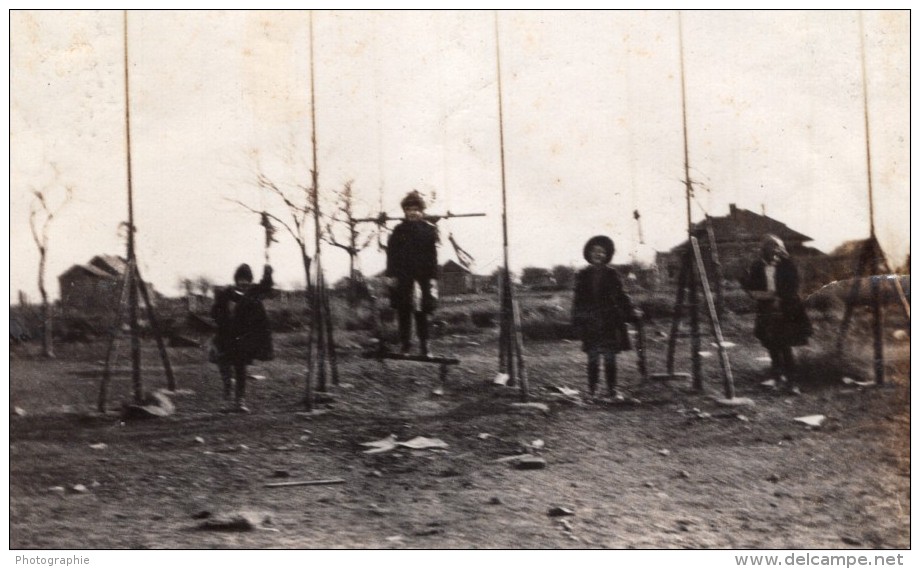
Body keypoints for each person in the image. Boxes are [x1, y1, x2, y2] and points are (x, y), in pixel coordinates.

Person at [572, 235, 641, 401]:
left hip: (610, 322)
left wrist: (632, 312)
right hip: (591, 323)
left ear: (606, 255)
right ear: (589, 254)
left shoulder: (612, 274)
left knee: (610, 357)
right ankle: (592, 391)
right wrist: (577, 320)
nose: (599, 255)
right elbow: (577, 300)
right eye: (595, 251)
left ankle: (612, 390)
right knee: (593, 358)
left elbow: (621, 296)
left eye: (602, 252)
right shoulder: (582, 275)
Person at [742, 234, 812, 394]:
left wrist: (780, 298)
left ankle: (791, 382)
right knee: (771, 343)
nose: (775, 252)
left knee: (785, 344)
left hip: (786, 307)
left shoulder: (787, 265)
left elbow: (793, 285)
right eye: (770, 248)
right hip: (766, 307)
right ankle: (777, 378)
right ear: (764, 250)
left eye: (777, 248)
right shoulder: (757, 266)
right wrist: (749, 287)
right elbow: (752, 286)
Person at [210, 263, 274, 412]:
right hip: (225, 337)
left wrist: (268, 273)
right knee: (223, 364)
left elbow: (266, 286)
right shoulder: (227, 293)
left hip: (243, 339)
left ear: (250, 280)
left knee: (240, 368)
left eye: (247, 280)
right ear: (236, 280)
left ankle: (239, 402)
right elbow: (214, 312)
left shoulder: (252, 293)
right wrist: (223, 317)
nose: (244, 283)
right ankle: (227, 390)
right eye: (241, 279)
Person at [386, 190, 439, 356]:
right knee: (403, 310)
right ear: (405, 212)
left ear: (421, 212)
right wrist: (390, 275)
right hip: (402, 276)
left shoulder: (428, 230)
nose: (413, 213)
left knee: (423, 311)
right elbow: (392, 254)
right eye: (409, 210)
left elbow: (432, 256)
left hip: (423, 276)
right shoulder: (398, 230)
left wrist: (432, 278)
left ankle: (425, 346)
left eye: (416, 210)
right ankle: (405, 345)